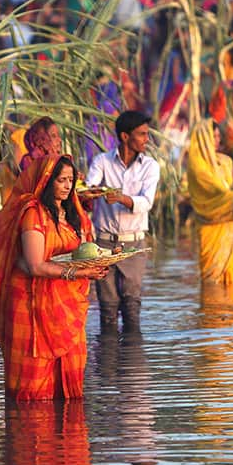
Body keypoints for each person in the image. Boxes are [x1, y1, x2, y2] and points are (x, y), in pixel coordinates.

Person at [0, 155, 107, 400]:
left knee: (71, 385)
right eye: (61, 180)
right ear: (46, 181)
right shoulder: (33, 214)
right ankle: (30, 434)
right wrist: (80, 272)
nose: (67, 186)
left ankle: (68, 436)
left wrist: (93, 264)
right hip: (32, 306)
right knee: (33, 390)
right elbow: (34, 265)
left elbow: (81, 251)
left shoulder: (72, 214)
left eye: (71, 180)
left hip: (66, 305)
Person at [86, 111, 159, 335]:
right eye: (142, 134)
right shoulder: (101, 161)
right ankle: (108, 364)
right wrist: (93, 192)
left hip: (133, 244)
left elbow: (146, 202)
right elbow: (89, 187)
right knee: (107, 308)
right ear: (125, 137)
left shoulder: (150, 166)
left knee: (131, 305)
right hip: (104, 244)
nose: (147, 139)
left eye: (147, 134)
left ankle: (131, 363)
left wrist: (121, 198)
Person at [186, 119, 233, 286]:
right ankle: (212, 311)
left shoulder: (225, 161)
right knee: (212, 282)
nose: (217, 140)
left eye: (217, 136)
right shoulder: (198, 168)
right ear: (203, 139)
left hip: (231, 224)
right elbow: (216, 193)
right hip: (211, 225)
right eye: (212, 137)